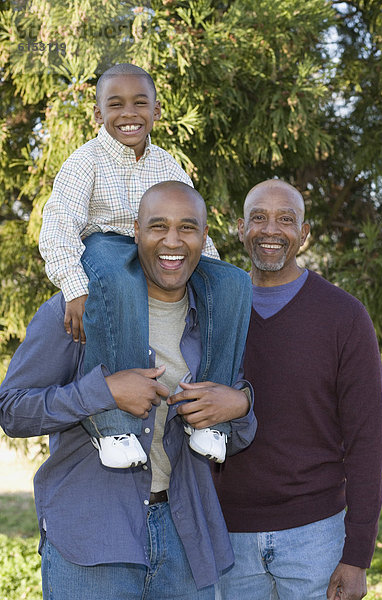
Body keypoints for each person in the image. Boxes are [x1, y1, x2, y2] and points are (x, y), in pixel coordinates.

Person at [0, 182, 256, 600]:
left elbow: (239, 433)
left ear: (204, 237)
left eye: (187, 228)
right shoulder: (78, 308)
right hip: (92, 538)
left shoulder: (214, 317)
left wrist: (240, 404)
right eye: (158, 226)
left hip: (185, 538)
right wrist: (103, 393)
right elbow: (11, 409)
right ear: (135, 231)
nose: (172, 241)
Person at [39, 63, 224, 468]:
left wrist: (214, 275)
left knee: (234, 283)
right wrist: (75, 287)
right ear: (98, 113)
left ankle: (207, 414)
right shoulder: (85, 161)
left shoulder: (167, 164)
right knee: (118, 272)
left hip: (155, 248)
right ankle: (114, 427)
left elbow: (191, 223)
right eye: (115, 104)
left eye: (140, 103)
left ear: (156, 111)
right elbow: (57, 225)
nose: (128, 114)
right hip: (105, 247)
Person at [213, 179, 382, 600]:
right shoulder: (213, 309)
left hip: (317, 539)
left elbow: (366, 441)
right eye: (259, 218)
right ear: (240, 228)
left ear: (304, 234)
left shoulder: (344, 316)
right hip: (226, 540)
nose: (271, 230)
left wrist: (357, 555)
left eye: (286, 220)